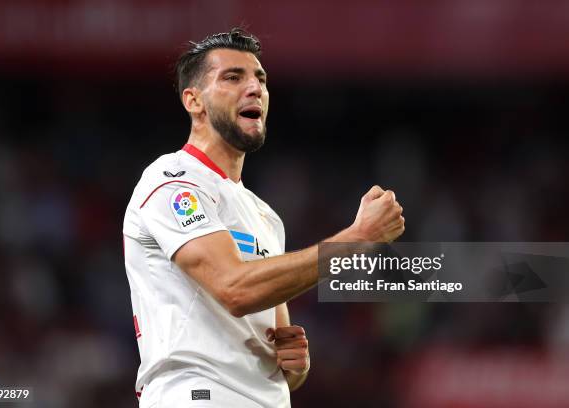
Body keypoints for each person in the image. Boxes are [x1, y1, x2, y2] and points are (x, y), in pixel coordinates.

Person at [123, 28, 405, 408]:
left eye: (260, 78)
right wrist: (356, 239)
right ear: (194, 101)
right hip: (198, 396)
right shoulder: (172, 182)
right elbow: (235, 290)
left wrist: (296, 365)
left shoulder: (264, 216)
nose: (254, 87)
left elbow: (276, 342)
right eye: (233, 77)